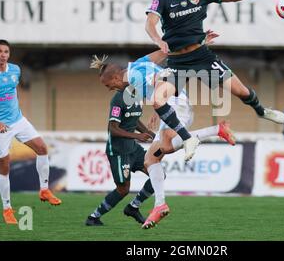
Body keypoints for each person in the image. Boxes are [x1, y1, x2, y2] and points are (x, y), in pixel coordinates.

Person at [144, 0, 284, 145]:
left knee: (242, 91)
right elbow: (150, 23)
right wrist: (158, 40)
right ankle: (188, 139)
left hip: (202, 56)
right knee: (157, 99)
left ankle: (262, 111)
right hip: (177, 62)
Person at [89, 49, 236, 229]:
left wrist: (161, 93)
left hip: (175, 108)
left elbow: (158, 78)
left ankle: (216, 130)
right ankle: (153, 205)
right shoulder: (137, 65)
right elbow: (165, 50)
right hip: (173, 106)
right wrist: (197, 42)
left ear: (115, 79)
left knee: (163, 149)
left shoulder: (133, 78)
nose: (111, 89)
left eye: (109, 85)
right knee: (152, 159)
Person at [0, 39, 61, 225]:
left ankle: (44, 190)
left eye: (6, 51)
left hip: (19, 121)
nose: (3, 54)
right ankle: (7, 209)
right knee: (4, 167)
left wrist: (16, 113)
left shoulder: (15, 70)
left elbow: (12, 92)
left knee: (42, 148)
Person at [85, 87, 157, 226]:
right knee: (123, 189)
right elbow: (113, 128)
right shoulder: (119, 98)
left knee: (158, 175)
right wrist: (138, 136)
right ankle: (93, 217)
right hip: (118, 150)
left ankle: (133, 207)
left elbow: (133, 120)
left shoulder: (138, 96)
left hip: (133, 148)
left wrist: (150, 135)